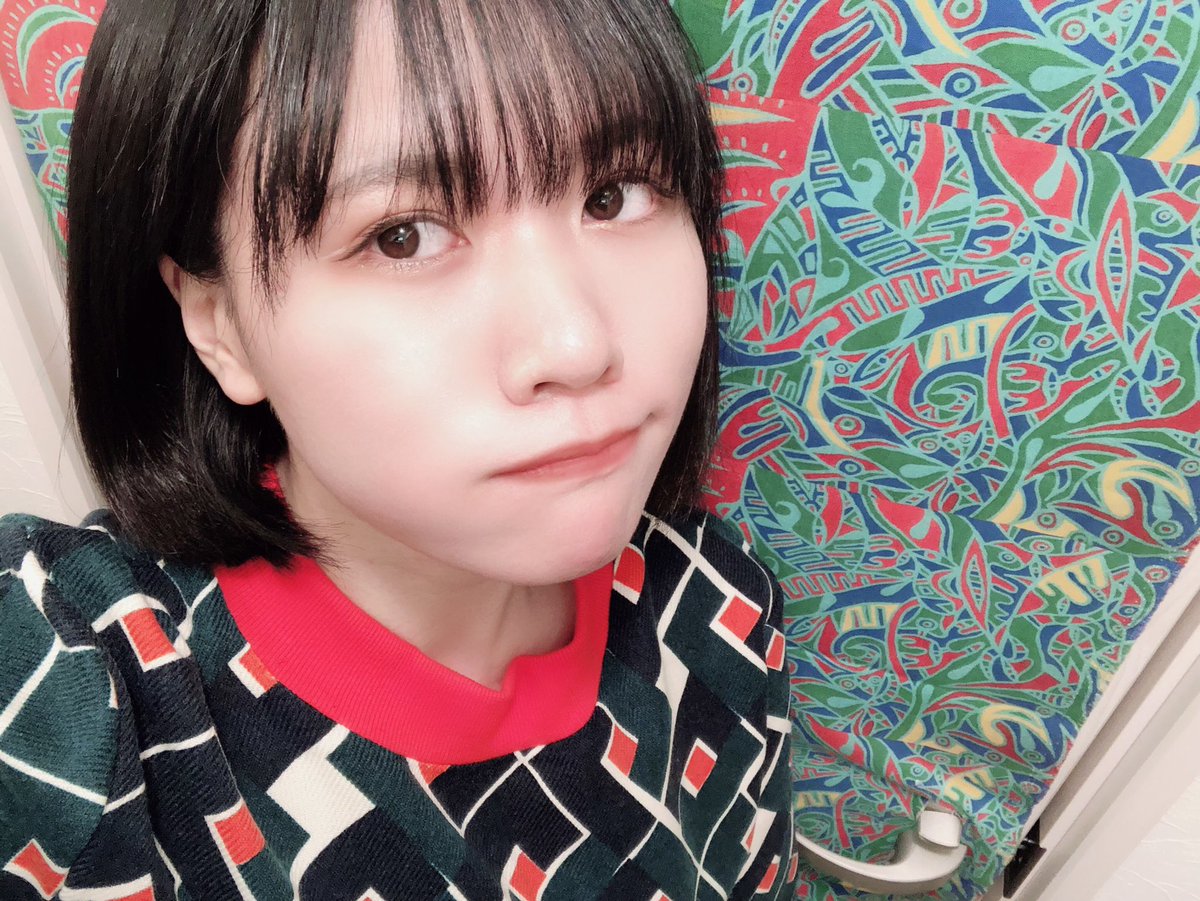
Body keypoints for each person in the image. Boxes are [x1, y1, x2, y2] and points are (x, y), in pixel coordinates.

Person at [0, 0, 797, 897]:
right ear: (218, 322)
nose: (577, 346)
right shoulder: (81, 691)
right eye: (403, 235)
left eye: (614, 196)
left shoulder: (720, 609)